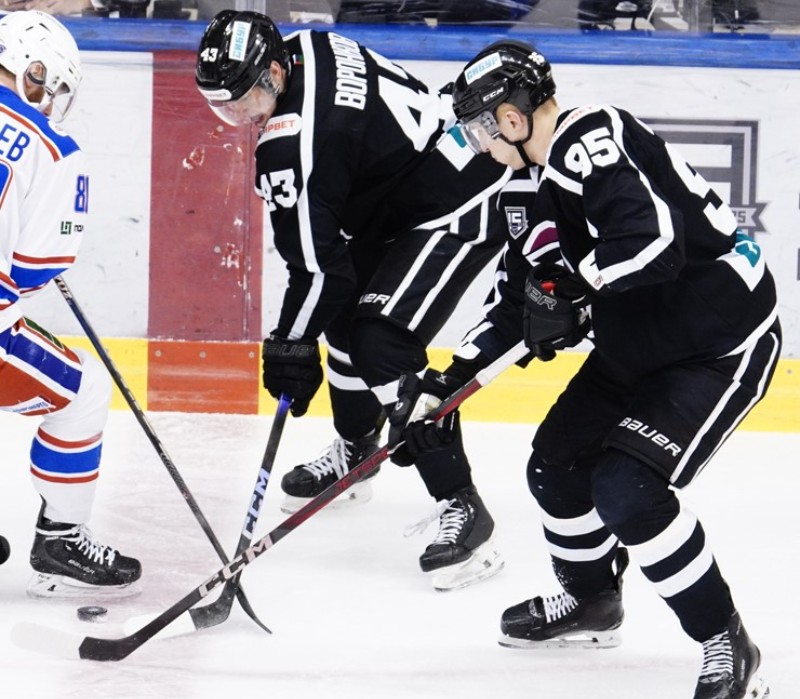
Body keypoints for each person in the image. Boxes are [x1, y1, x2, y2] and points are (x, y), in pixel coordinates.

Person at [389, 40, 776, 698]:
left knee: (627, 489)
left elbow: (655, 243)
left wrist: (577, 289)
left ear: (512, 119)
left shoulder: (588, 139)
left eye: (481, 129)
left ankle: (725, 638)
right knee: (556, 467)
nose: (480, 145)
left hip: (717, 343)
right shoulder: (526, 186)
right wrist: (444, 387)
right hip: (635, 343)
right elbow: (525, 300)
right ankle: (594, 601)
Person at [194, 11, 511, 590]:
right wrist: (302, 334)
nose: (239, 117)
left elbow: (318, 269)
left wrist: (289, 343)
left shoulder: (291, 143)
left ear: (273, 73)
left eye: (244, 101)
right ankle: (358, 448)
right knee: (341, 319)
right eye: (223, 106)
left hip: (458, 199)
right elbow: (330, 267)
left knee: (378, 339)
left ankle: (462, 504)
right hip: (407, 188)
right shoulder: (303, 44)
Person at [0, 11, 141, 598]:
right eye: (50, 86)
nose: (48, 99)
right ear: (33, 70)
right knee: (82, 394)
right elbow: (36, 267)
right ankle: (60, 538)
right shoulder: (53, 148)